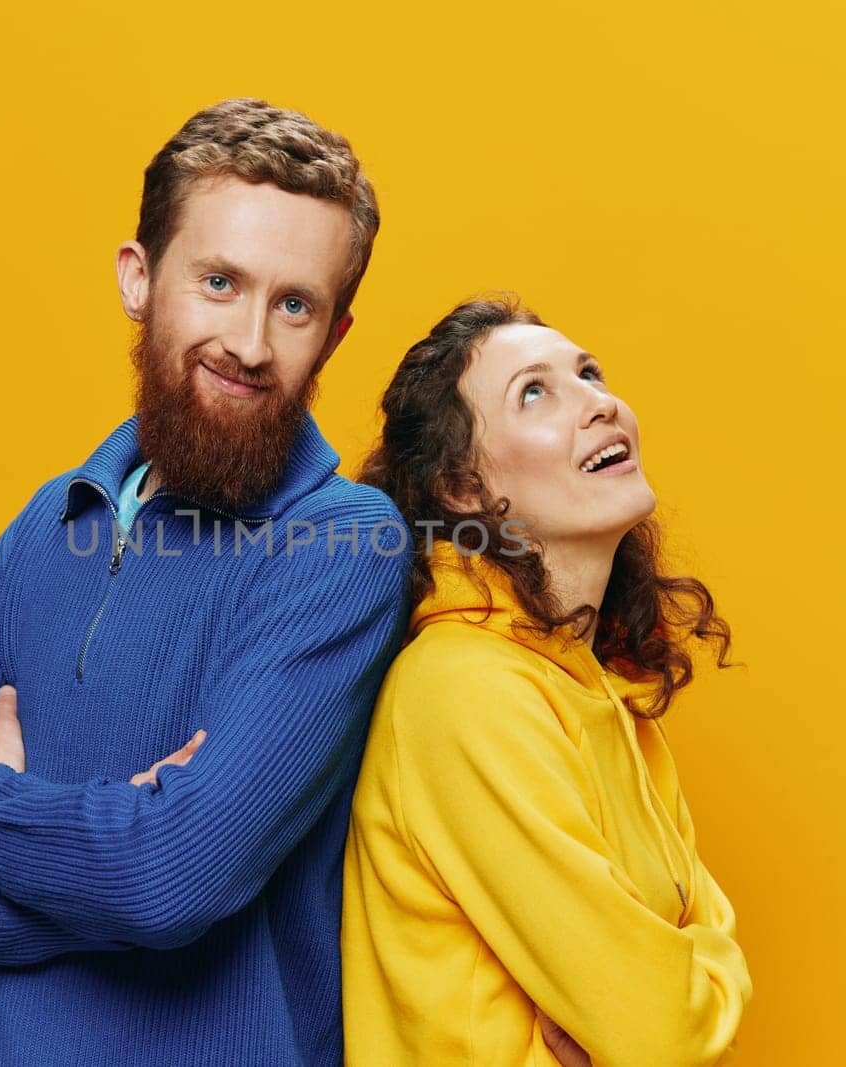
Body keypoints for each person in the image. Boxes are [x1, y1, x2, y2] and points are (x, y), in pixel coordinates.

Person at [0, 98, 412, 1066]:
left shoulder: (344, 546)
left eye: (294, 304)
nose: (252, 343)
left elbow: (175, 877)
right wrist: (114, 881)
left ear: (335, 334)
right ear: (139, 279)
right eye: (219, 282)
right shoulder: (53, 517)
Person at [341, 296, 754, 1066]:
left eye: (590, 373)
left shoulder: (612, 699)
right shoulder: (463, 688)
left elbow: (687, 992)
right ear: (463, 489)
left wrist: (691, 984)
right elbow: (662, 1028)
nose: (600, 403)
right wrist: (685, 982)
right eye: (536, 390)